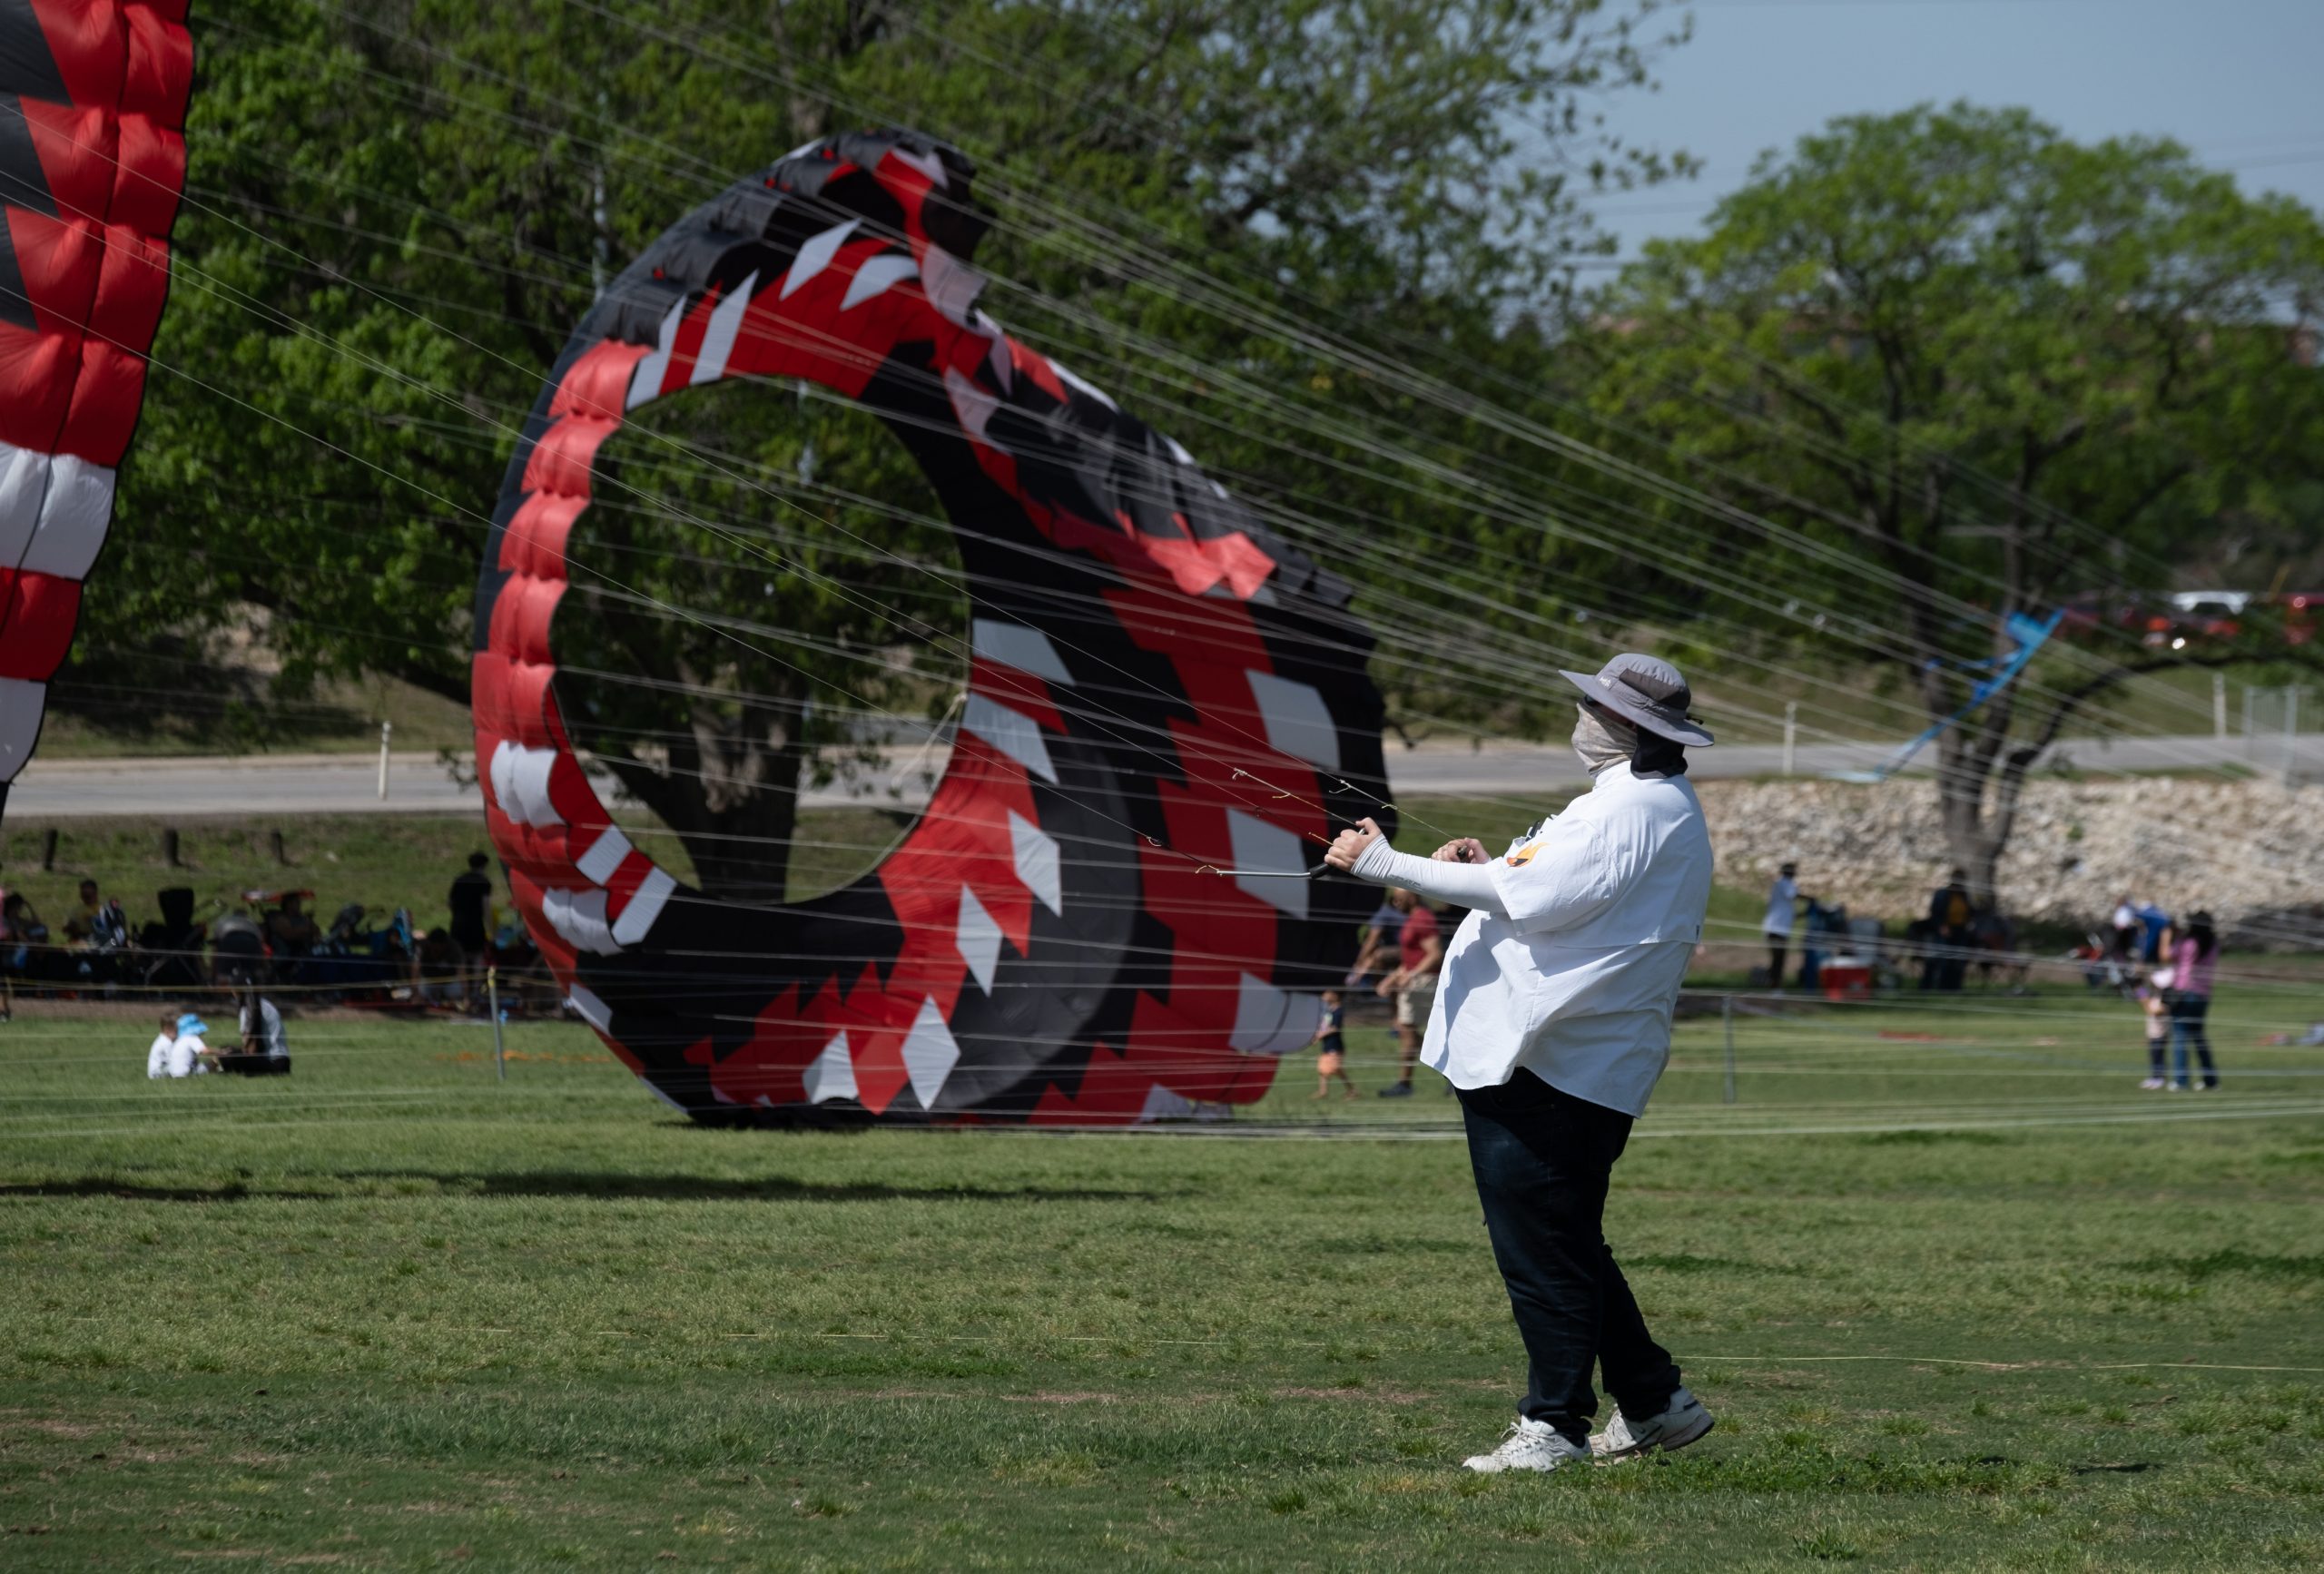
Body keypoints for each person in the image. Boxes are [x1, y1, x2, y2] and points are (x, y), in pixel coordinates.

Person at [1324, 652, 1717, 1474]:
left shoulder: (1631, 810)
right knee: (1565, 1238)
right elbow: (1534, 892)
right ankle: (1654, 1402)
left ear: (1626, 727)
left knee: (1542, 1251)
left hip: (1549, 1064)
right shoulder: (1637, 805)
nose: (1581, 717)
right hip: (1568, 1060)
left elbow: (1525, 896)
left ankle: (1555, 1427)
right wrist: (1473, 875)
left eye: (1594, 707)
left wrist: (1384, 864)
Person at [1374, 888, 1441, 1097]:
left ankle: (1406, 1084)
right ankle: (1445, 1072)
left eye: (1398, 899)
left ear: (1412, 896)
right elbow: (1412, 958)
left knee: (1407, 1029)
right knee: (1408, 1031)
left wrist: (1412, 976)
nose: (1395, 903)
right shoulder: (1413, 918)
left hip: (1423, 982)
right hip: (1415, 980)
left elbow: (1435, 953)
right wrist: (1391, 978)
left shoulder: (1422, 919)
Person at [2167, 910, 2220, 1091]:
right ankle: (2210, 1080)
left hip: (2185, 992)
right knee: (2199, 1037)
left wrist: (2169, 935)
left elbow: (2169, 955)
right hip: (2203, 995)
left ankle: (2181, 1081)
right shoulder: (2212, 943)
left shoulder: (2188, 942)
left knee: (2180, 1036)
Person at [448, 852, 495, 1005]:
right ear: (484, 865)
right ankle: (474, 993)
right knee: (476, 961)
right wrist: (491, 930)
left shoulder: (459, 880)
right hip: (475, 926)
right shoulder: (484, 882)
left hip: (458, 924)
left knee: (460, 960)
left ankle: (463, 993)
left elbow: (450, 902)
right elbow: (486, 907)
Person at [1922, 870, 1974, 992]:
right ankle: (1933, 987)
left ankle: (1953, 987)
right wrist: (1942, 926)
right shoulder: (1942, 894)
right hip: (1944, 930)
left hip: (1960, 931)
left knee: (1958, 960)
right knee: (1940, 959)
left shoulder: (1964, 895)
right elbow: (1935, 912)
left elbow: (1969, 912)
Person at [1309, 989, 1356, 1100]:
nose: (1324, 996)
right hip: (1327, 1044)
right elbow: (1324, 1026)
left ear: (1335, 996)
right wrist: (1317, 1036)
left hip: (1335, 1044)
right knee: (1322, 1069)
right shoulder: (1328, 1012)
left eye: (1327, 994)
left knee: (1335, 1069)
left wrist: (1320, 1035)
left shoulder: (1338, 1011)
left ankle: (1352, 1090)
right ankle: (1323, 1092)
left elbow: (1334, 1028)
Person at [1763, 862, 1803, 989]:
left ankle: (1773, 982)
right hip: (1777, 928)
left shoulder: (1779, 885)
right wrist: (1811, 898)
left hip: (1778, 928)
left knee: (1778, 958)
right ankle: (1774, 984)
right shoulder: (1784, 883)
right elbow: (1793, 894)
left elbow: (1789, 912)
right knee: (1778, 958)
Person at [146, 1012, 215, 1078]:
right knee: (188, 1070)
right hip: (158, 1074)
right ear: (168, 1029)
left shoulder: (164, 1040)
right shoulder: (165, 1043)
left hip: (162, 1071)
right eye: (178, 1030)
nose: (180, 1033)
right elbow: (175, 1061)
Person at [2136, 967, 2173, 1090]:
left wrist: (2143, 999)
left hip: (2161, 1033)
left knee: (2159, 1056)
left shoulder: (2166, 999)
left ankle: (2160, 1078)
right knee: (2153, 1056)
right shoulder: (2155, 996)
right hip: (2152, 1033)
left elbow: (2154, 1012)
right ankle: (2154, 1077)